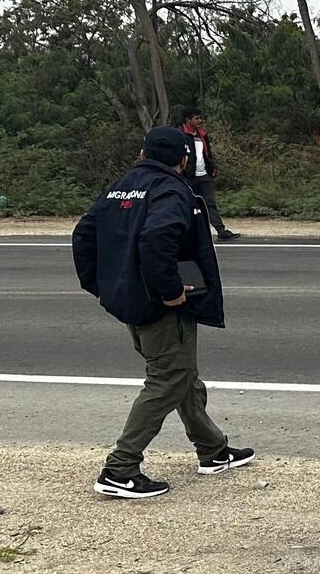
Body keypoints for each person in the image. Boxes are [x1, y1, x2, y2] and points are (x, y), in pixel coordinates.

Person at [72, 126, 255, 499]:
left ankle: (213, 450)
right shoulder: (171, 190)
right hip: (162, 306)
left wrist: (103, 285)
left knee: (182, 375)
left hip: (132, 299)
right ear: (184, 159)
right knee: (168, 378)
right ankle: (120, 469)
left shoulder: (120, 186)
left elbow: (83, 235)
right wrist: (170, 291)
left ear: (143, 153)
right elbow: (157, 239)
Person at [179, 107, 239, 242]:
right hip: (189, 176)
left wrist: (212, 166)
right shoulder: (181, 135)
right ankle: (188, 233)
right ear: (188, 120)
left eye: (200, 118)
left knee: (209, 203)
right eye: (196, 118)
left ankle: (221, 230)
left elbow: (207, 152)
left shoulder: (202, 134)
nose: (199, 121)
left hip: (204, 175)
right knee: (188, 204)